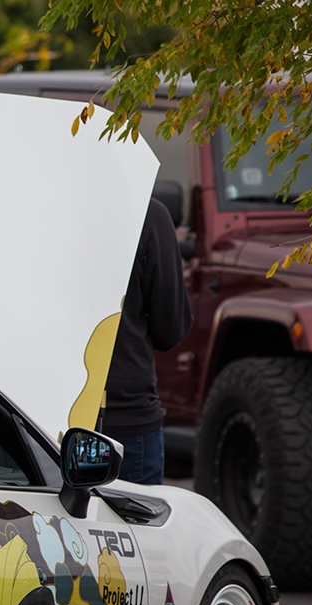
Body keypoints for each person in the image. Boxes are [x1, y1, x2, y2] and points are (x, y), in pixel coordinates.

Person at [100, 197, 192, 484]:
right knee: (130, 529)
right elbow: (170, 330)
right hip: (123, 414)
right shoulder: (145, 212)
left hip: (26, 414)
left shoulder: (22, 204)